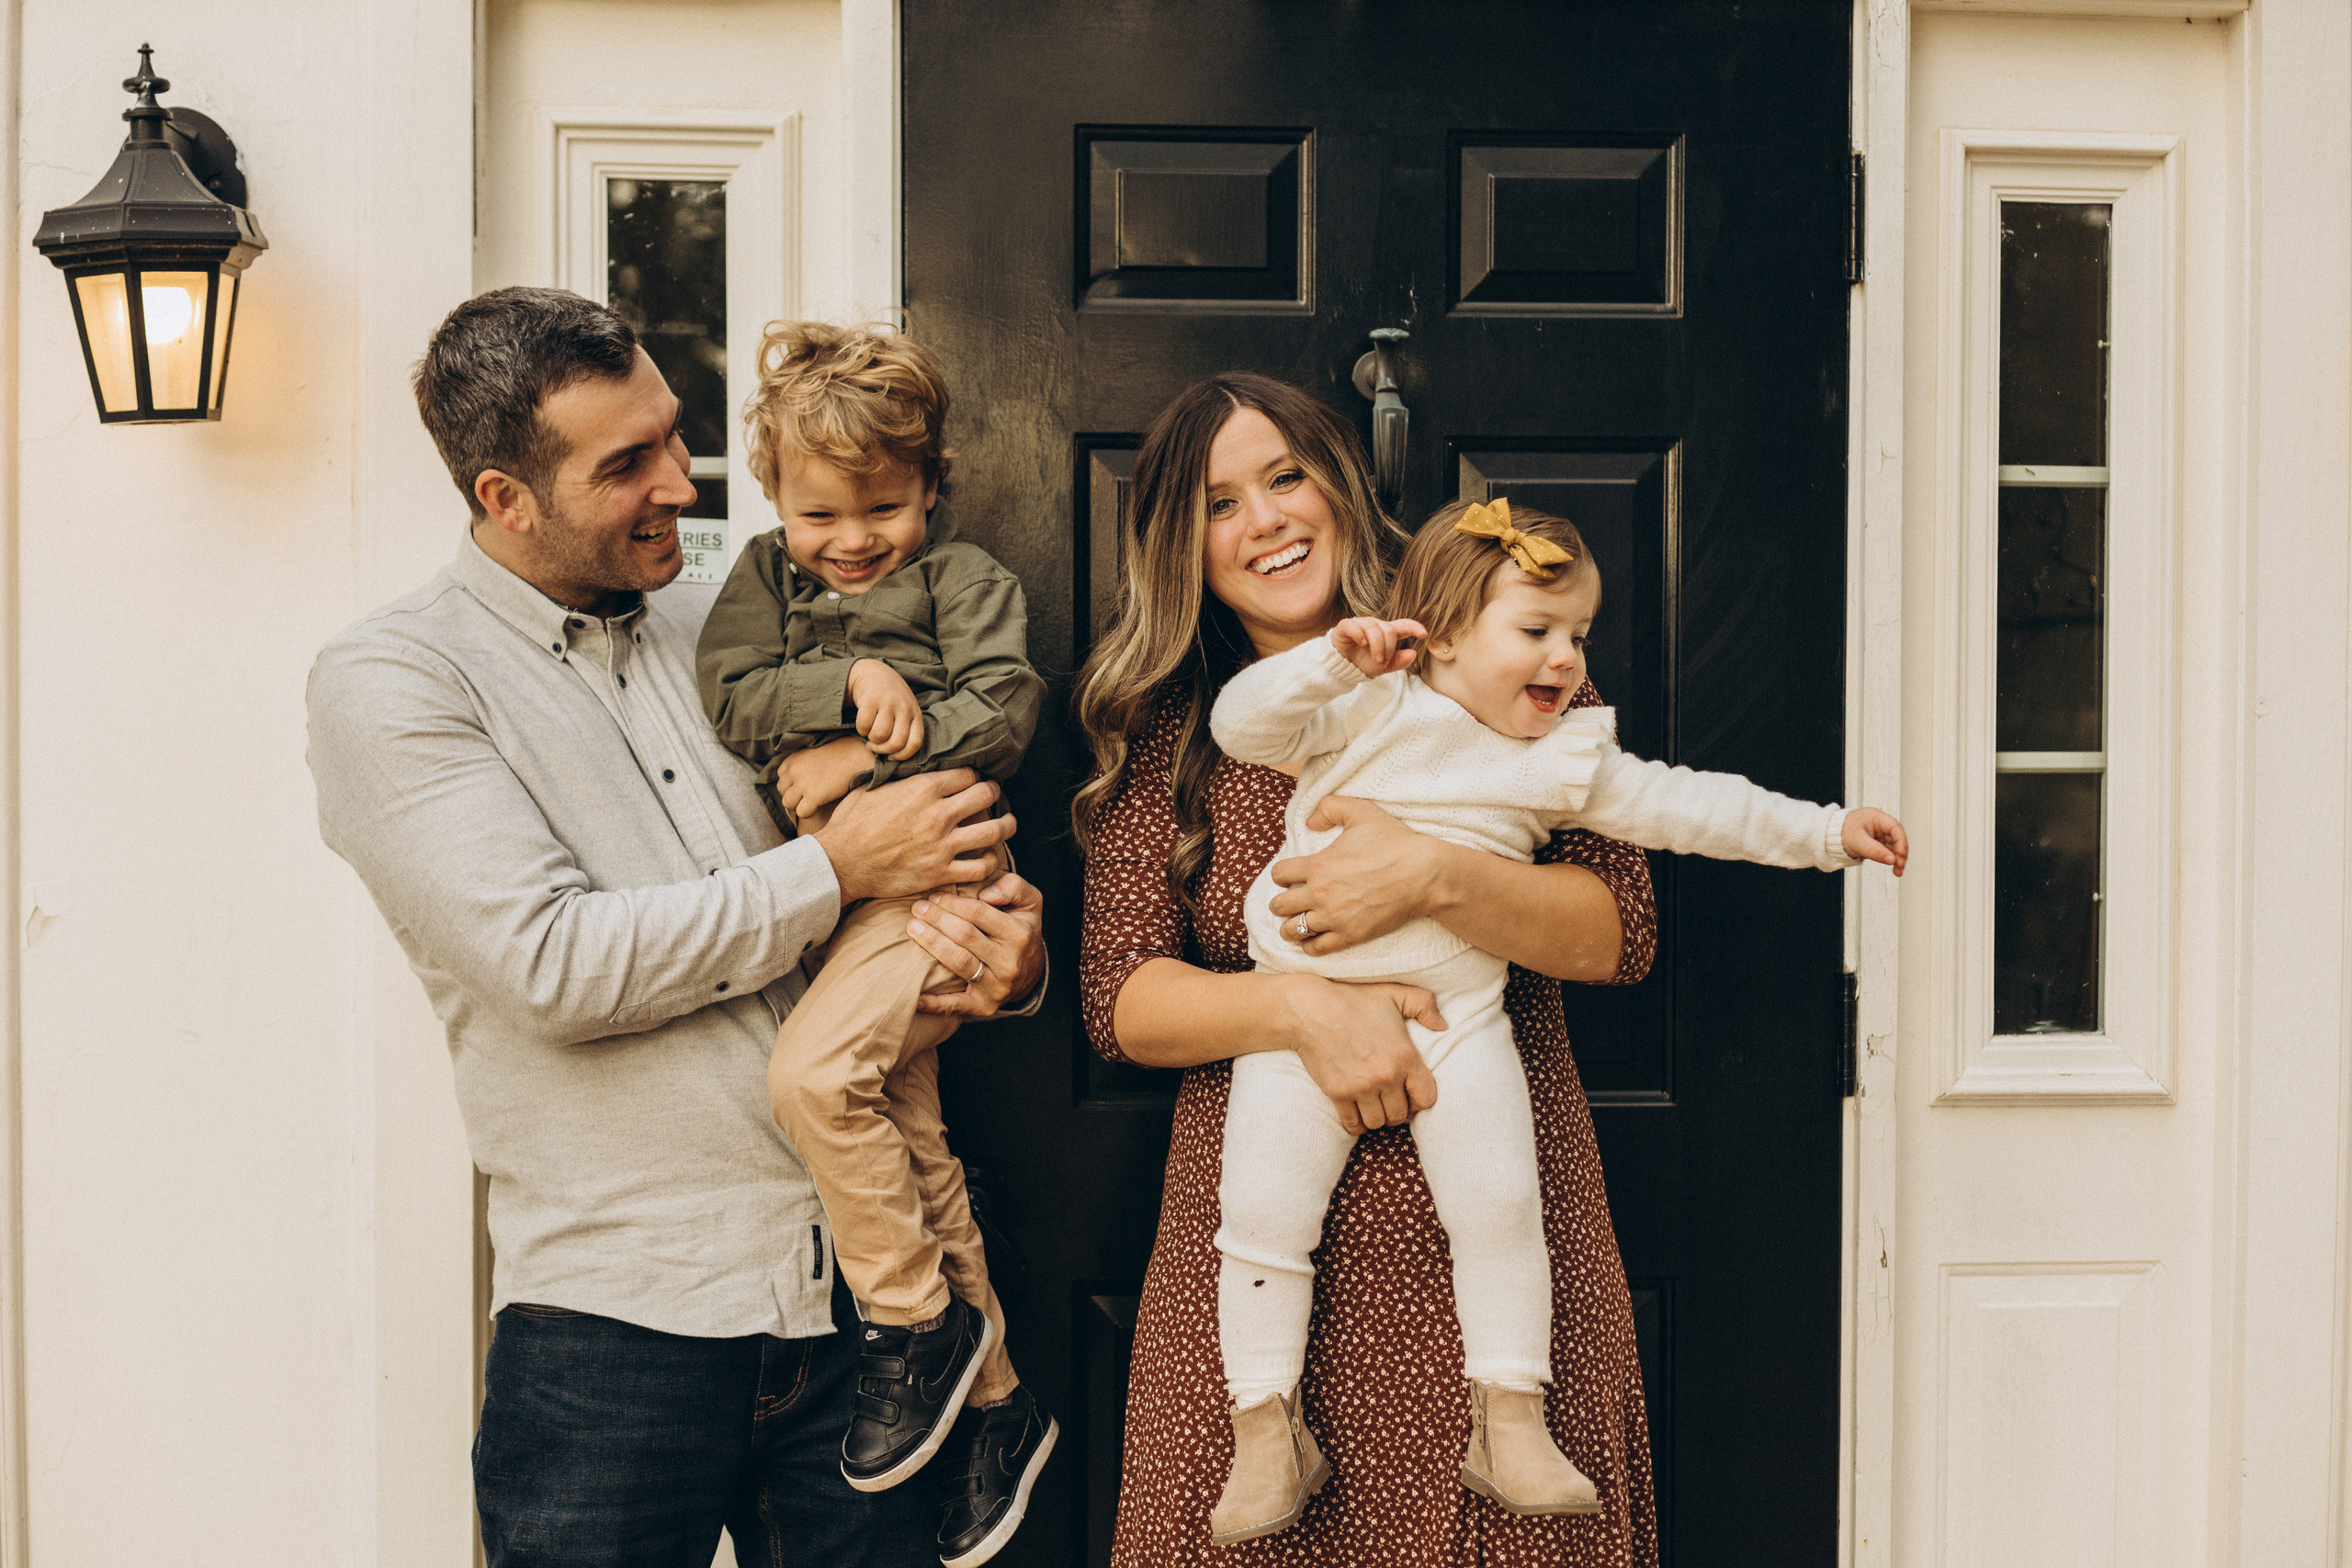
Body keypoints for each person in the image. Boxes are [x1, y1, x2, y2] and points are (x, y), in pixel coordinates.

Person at [305, 287, 1044, 1568]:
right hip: (614, 1334)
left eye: (673, 436)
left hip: (865, 1322)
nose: (680, 485)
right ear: (504, 497)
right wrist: (835, 866)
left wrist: (1001, 957)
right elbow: (551, 964)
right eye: (625, 464)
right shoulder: (397, 681)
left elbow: (907, 846)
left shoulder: (740, 636)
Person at [1201, 498, 1908, 1541]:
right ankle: (1267, 1432)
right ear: (1442, 632)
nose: (1567, 657)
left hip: (1459, 1021)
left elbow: (1695, 807)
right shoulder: (1366, 705)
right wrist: (1332, 662)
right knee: (1262, 1214)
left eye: (1577, 633)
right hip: (1295, 1020)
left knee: (1499, 1203)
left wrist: (1828, 832)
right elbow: (1241, 727)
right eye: (1536, 630)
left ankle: (1511, 1421)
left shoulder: (1562, 760)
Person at [1074, 372, 1661, 1567]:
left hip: (1499, 1256)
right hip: (1256, 1277)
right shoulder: (1174, 723)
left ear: (1339, 485)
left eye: (1285, 477)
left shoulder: (1497, 650)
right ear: (1182, 543)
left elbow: (1619, 933)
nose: (1265, 521)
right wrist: (1302, 1009)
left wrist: (1432, 877)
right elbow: (1120, 999)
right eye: (1220, 503)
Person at [696, 320, 1056, 1568]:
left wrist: (864, 750)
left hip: (944, 888)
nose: (851, 539)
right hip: (840, 909)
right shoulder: (760, 578)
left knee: (808, 1080)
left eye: (884, 508)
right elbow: (731, 693)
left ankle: (913, 1322)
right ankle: (998, 1404)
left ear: (931, 486)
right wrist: (846, 681)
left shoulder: (965, 581)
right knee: (901, 1125)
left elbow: (1003, 710)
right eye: (819, 516)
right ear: (773, 498)